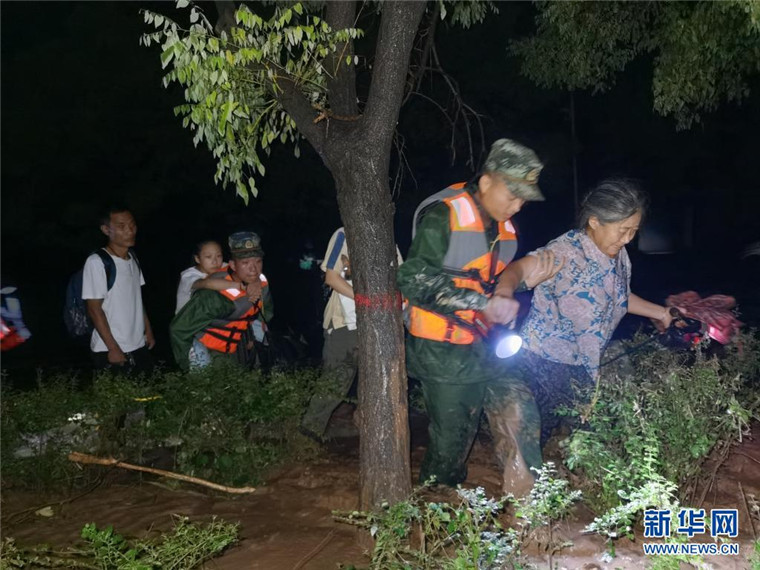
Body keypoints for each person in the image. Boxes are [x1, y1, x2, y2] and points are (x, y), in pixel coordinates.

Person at [398, 139, 560, 492]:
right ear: (486, 182)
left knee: (520, 409)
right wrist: (481, 304)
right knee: (452, 443)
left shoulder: (504, 230)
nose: (517, 206)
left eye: (524, 199)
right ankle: (437, 504)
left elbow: (491, 280)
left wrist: (517, 287)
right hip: (442, 353)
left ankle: (528, 504)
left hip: (488, 346)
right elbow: (412, 279)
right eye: (512, 196)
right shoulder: (444, 216)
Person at [496, 178, 676, 447]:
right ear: (595, 221)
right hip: (543, 361)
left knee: (594, 436)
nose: (628, 238)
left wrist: (661, 313)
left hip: (582, 362)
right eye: (622, 230)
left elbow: (618, 297)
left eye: (633, 231)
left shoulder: (618, 255)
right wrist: (503, 293)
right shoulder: (564, 252)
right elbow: (517, 270)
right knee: (537, 441)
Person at [300, 227, 403, 439]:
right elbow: (331, 277)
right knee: (336, 382)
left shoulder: (387, 234)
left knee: (376, 381)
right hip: (343, 323)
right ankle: (309, 434)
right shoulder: (344, 234)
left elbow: (400, 277)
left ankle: (367, 429)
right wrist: (364, 300)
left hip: (379, 325)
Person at [170, 231, 273, 371]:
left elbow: (266, 312)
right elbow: (178, 330)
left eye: (258, 261)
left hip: (237, 345)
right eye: (245, 262)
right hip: (205, 344)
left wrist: (253, 337)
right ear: (233, 265)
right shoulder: (204, 289)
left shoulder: (261, 283)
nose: (253, 269)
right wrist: (186, 366)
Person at [82, 207, 155, 375]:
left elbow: (137, 299)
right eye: (121, 226)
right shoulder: (97, 262)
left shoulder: (133, 258)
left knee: (149, 389)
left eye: (132, 225)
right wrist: (113, 348)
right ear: (106, 230)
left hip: (138, 344)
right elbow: (94, 309)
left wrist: (148, 331)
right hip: (110, 349)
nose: (130, 231)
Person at [175, 240, 241, 314]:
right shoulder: (188, 276)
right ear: (197, 259)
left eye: (218, 256)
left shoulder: (224, 266)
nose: (215, 262)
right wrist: (240, 286)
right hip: (190, 318)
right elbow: (207, 283)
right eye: (208, 257)